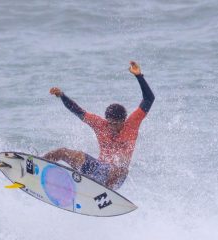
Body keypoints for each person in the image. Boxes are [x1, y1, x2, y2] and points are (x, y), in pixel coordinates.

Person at [43, 61, 155, 190]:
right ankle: (35, 167)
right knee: (62, 152)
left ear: (123, 121)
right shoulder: (101, 124)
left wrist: (139, 76)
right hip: (97, 168)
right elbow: (77, 110)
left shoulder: (132, 124)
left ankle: (103, 193)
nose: (112, 127)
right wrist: (62, 96)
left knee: (121, 170)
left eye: (116, 124)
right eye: (110, 123)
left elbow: (149, 99)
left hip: (115, 178)